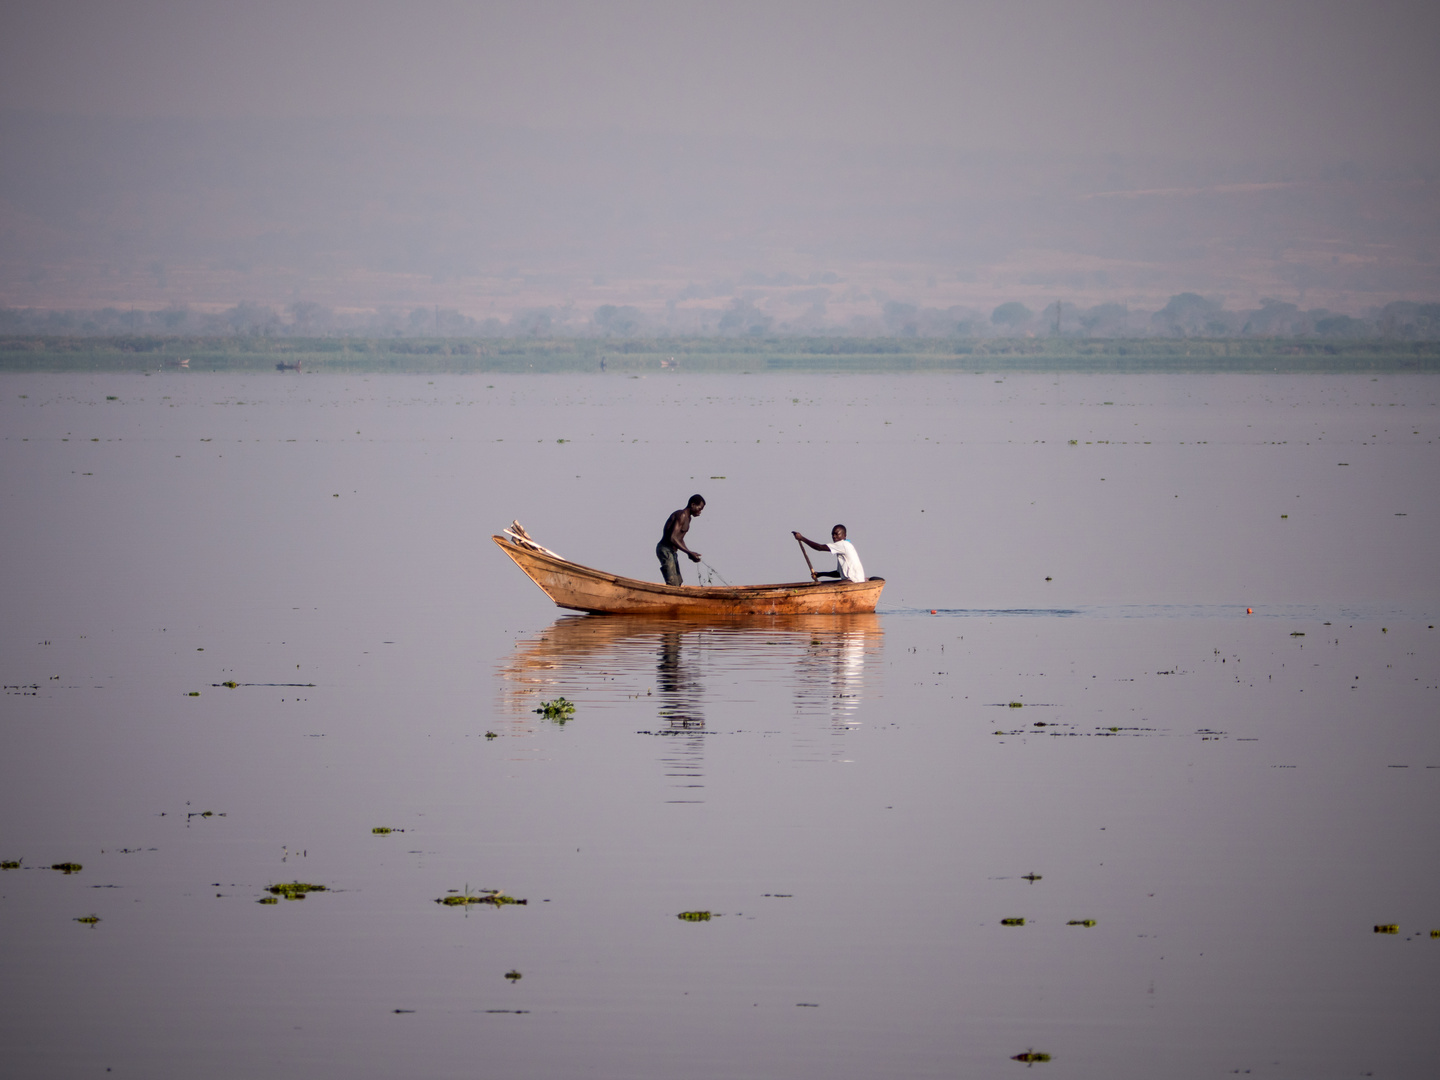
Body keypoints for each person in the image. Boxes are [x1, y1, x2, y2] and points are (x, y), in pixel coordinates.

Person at [657, 494, 705, 586]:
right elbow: (673, 537)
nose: (700, 512)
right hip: (665, 550)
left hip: (672, 552)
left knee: (678, 583)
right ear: (693, 505)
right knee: (673, 583)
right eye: (699, 509)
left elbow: (680, 539)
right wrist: (689, 553)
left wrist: (689, 553)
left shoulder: (688, 518)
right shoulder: (681, 515)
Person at [793, 524, 865, 583]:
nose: (834, 536)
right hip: (852, 581)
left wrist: (802, 538)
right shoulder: (841, 550)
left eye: (837, 534)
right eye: (832, 534)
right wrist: (821, 574)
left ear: (844, 535)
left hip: (854, 581)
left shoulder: (843, 544)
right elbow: (838, 574)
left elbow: (819, 547)